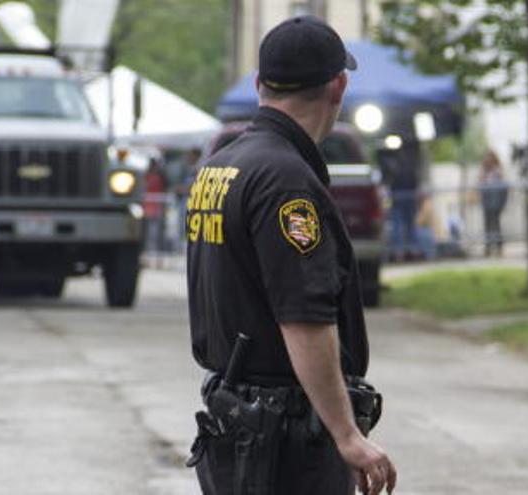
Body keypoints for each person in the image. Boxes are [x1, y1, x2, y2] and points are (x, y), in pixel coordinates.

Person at [184, 15, 397, 495]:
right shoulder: (286, 180)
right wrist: (346, 433)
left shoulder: (219, 168)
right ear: (338, 86)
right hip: (285, 439)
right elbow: (303, 317)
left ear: (260, 85)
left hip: (234, 422)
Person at [478, 150, 509, 256]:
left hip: (496, 203)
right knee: (487, 225)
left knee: (496, 224)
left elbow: (502, 189)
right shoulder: (484, 172)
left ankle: (498, 247)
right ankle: (488, 247)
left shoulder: (497, 172)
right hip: (487, 202)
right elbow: (481, 185)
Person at [143, 157, 168, 254]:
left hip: (157, 206)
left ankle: (156, 249)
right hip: (148, 206)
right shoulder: (146, 175)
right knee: (149, 230)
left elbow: (164, 189)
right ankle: (149, 249)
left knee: (156, 230)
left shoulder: (160, 176)